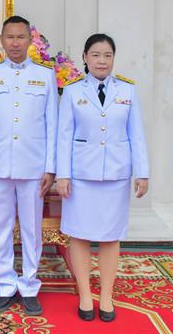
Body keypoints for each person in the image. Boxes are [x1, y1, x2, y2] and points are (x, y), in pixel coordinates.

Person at [56, 33, 149, 323]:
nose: (101, 61)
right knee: (80, 234)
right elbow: (64, 137)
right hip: (81, 176)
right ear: (85, 57)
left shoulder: (127, 91)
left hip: (116, 175)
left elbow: (137, 134)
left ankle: (106, 294)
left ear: (113, 59)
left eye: (107, 55)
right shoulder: (72, 91)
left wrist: (142, 172)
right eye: (96, 55)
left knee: (111, 237)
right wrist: (63, 174)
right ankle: (85, 293)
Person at [0, 15, 57, 316]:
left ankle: (30, 285)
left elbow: (52, 125)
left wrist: (50, 168)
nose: (16, 43)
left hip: (33, 166)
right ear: (2, 38)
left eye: (21, 37)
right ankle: (5, 285)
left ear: (30, 40)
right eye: (10, 37)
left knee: (32, 230)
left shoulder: (46, 75)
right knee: (1, 228)